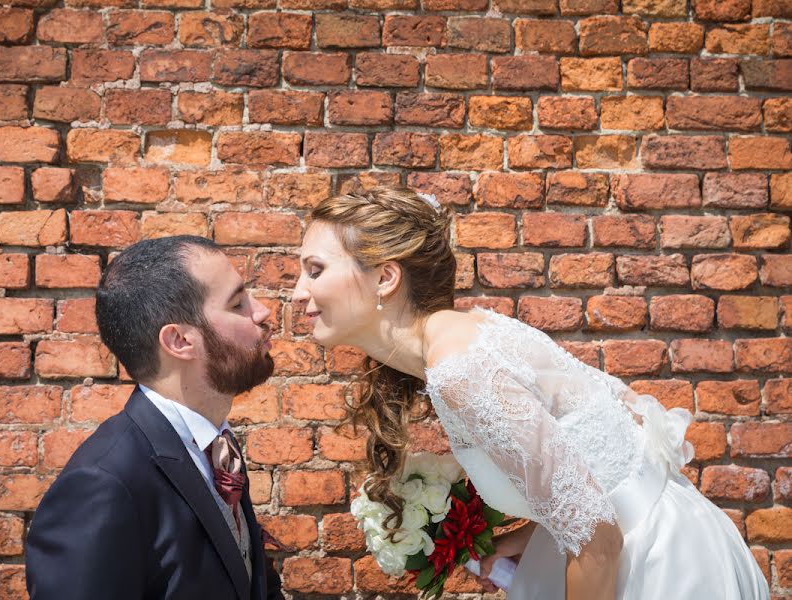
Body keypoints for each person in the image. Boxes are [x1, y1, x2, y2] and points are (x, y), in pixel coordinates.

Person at [291, 187, 770, 600]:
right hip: (648, 537)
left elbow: (598, 539)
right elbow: (595, 455)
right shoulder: (462, 334)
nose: (296, 292)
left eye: (315, 270)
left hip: (655, 567)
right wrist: (523, 536)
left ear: (385, 277)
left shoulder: (460, 368)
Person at [26, 235, 283, 600]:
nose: (262, 312)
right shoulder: (102, 484)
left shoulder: (217, 449)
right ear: (179, 340)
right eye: (238, 302)